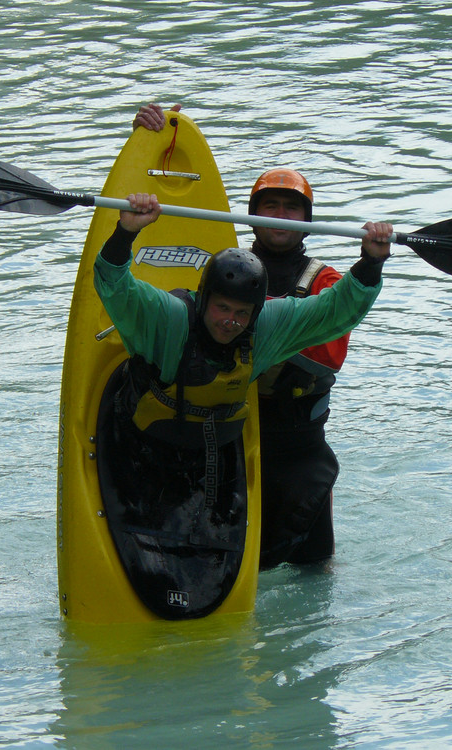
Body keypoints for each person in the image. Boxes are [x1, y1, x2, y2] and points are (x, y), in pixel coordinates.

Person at [95, 188, 391, 601]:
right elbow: (114, 285)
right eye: (221, 309)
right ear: (204, 302)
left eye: (241, 313)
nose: (230, 322)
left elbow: (334, 310)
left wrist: (372, 261)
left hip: (211, 449)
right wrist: (125, 233)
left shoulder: (264, 326)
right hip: (143, 446)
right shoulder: (167, 318)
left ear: (255, 312)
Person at [133, 103, 363, 569]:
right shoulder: (222, 269)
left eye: (292, 207)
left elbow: (330, 348)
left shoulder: (324, 282)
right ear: (253, 215)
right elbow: (162, 298)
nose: (280, 215)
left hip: (297, 441)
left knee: (314, 567)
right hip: (226, 433)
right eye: (270, 206)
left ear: (307, 217)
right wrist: (151, 142)